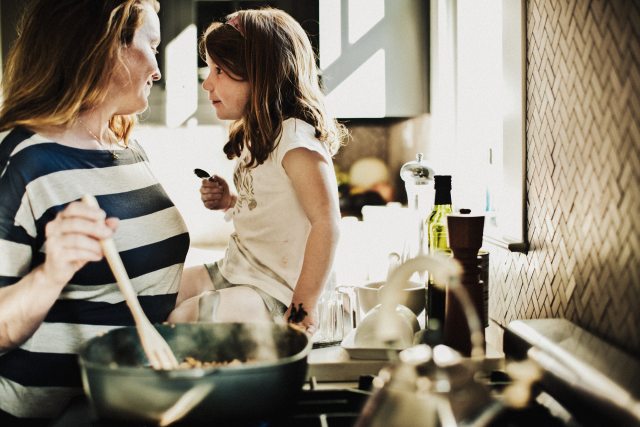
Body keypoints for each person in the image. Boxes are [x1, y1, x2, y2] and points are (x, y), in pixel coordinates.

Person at [0, 0, 190, 423]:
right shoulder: (22, 160)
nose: (158, 70)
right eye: (152, 45)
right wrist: (52, 273)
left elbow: (144, 283)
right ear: (105, 47)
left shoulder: (126, 147)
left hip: (130, 402)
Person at [169, 8, 347, 334]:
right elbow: (272, 204)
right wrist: (230, 200)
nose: (207, 83)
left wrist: (303, 309)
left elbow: (327, 223)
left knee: (187, 318)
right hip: (238, 270)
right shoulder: (262, 135)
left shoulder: (296, 142)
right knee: (162, 293)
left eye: (219, 70)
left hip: (277, 292)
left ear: (261, 73)